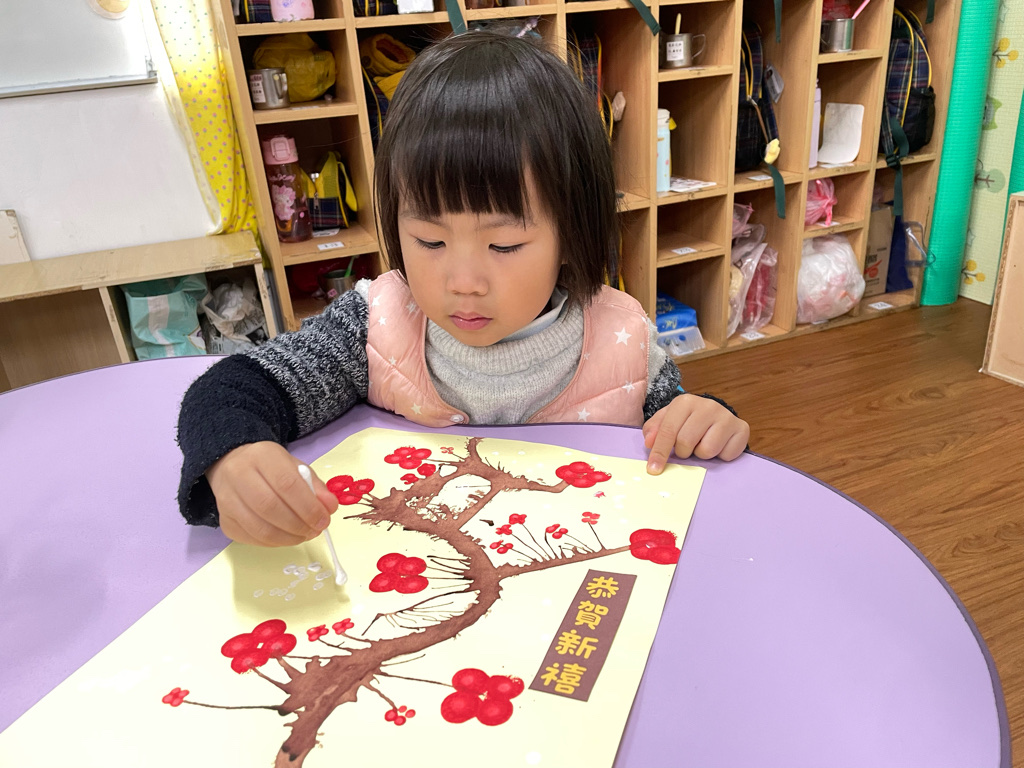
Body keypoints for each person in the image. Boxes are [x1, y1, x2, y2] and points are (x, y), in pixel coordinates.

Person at [176, 31, 749, 547]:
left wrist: (705, 418)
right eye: (429, 240)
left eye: (504, 245)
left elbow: (680, 431)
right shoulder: (375, 328)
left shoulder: (621, 342)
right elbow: (234, 388)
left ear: (571, 233)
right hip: (418, 580)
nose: (464, 283)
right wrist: (235, 455)